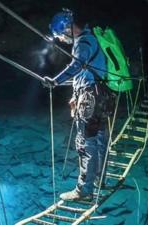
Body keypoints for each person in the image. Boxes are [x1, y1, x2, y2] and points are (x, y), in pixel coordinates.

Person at [42, 9, 111, 201]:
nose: (62, 40)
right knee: (99, 140)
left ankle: (84, 190)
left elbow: (75, 67)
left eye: (61, 35)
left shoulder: (83, 42)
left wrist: (55, 81)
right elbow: (86, 73)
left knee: (85, 144)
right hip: (101, 96)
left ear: (67, 28)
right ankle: (100, 179)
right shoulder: (92, 39)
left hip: (90, 99)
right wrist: (73, 91)